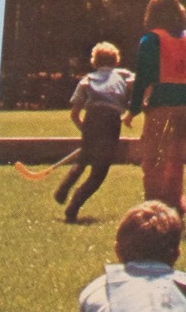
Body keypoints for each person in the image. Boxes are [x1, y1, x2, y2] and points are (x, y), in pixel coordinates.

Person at [125, 0, 186, 213]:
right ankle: (175, 201)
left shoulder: (151, 39)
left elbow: (142, 78)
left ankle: (153, 204)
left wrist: (133, 109)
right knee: (175, 155)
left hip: (161, 105)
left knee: (153, 155)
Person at [54, 41, 134, 223]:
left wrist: (87, 131)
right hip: (112, 120)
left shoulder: (87, 80)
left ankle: (64, 188)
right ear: (115, 60)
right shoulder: (123, 75)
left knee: (83, 160)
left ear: (95, 61)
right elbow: (139, 81)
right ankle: (74, 206)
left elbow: (74, 114)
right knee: (99, 171)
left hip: (92, 119)